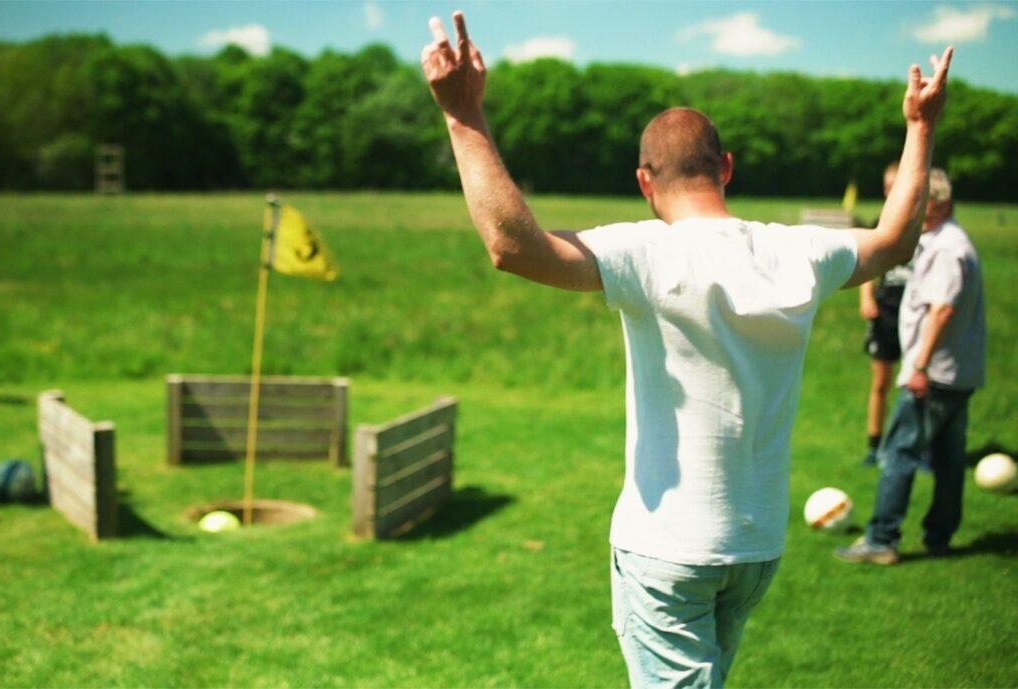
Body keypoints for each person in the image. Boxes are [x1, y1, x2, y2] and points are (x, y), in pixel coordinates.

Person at [421, 12, 952, 687]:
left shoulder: (646, 250)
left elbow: (512, 247)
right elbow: (897, 240)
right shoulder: (800, 251)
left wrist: (463, 114)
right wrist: (921, 126)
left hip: (669, 549)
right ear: (726, 167)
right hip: (755, 549)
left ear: (644, 182)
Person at [836, 168, 985, 565]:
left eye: (920, 200)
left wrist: (919, 366)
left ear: (939, 203)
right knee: (949, 460)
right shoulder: (947, 241)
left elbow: (942, 310)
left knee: (899, 453)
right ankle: (939, 537)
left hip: (934, 374)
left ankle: (882, 539)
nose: (911, 207)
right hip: (956, 372)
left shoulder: (946, 249)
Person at [859, 162, 913, 466]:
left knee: (917, 383)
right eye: (886, 188)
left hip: (917, 311)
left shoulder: (923, 223)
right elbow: (868, 263)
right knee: (881, 382)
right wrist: (866, 298)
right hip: (887, 311)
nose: (890, 193)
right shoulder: (880, 223)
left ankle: (914, 445)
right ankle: (875, 444)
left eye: (895, 187)